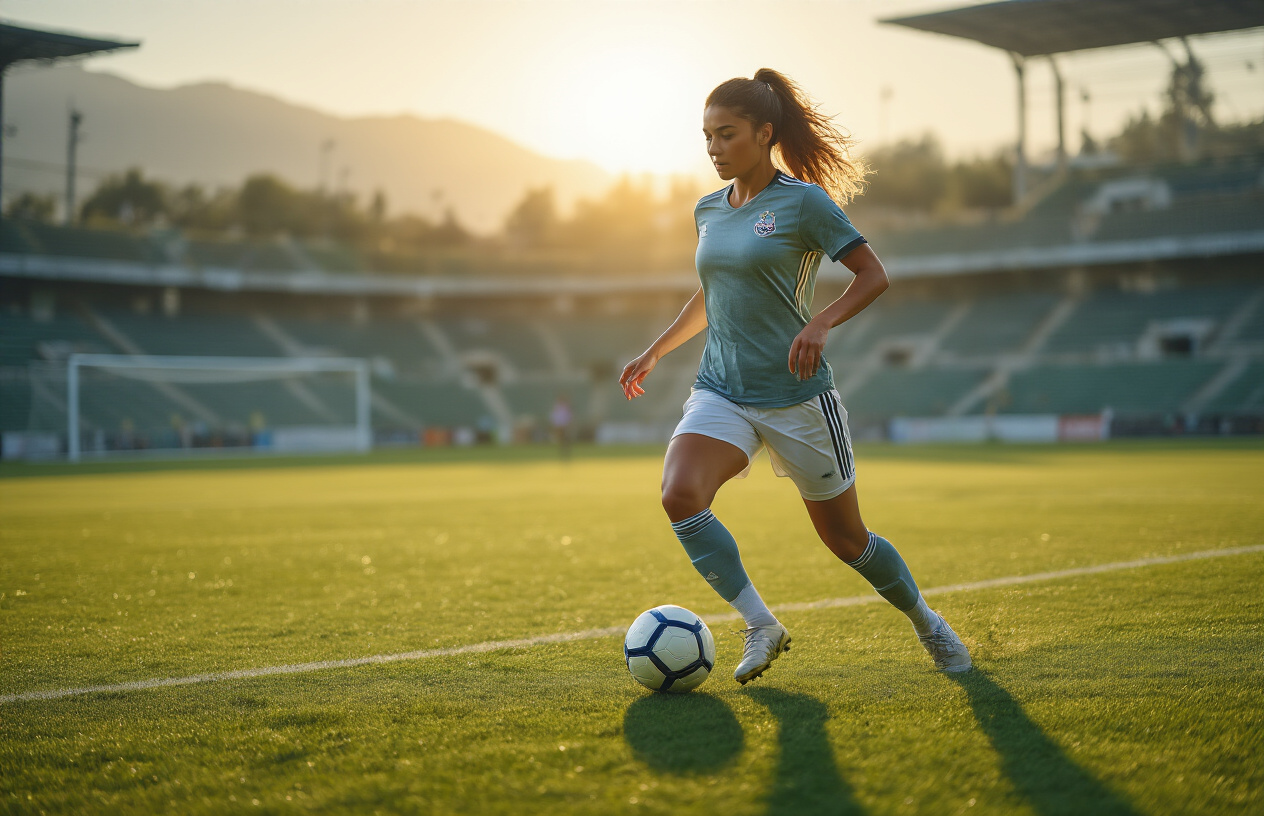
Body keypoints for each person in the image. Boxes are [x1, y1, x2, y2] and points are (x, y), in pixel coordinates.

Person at [619, 68, 970, 684]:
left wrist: (820, 324)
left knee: (847, 541)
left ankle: (927, 623)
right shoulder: (707, 210)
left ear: (763, 133)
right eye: (706, 137)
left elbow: (872, 273)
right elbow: (710, 294)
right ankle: (761, 624)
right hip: (721, 389)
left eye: (726, 135)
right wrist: (655, 350)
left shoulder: (803, 202)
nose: (714, 149)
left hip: (797, 397)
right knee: (679, 495)